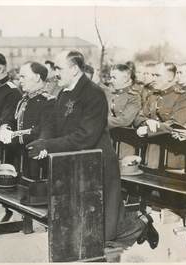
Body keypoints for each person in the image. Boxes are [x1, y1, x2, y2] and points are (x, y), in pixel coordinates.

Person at [26, 51, 157, 249]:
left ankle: (142, 224)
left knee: (104, 230)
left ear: (74, 69)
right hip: (74, 161)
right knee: (86, 223)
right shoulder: (64, 92)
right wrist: (42, 142)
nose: (54, 74)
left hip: (97, 163)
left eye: (59, 69)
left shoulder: (93, 94)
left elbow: (85, 136)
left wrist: (49, 145)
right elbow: (52, 123)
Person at [0, 61, 55, 179]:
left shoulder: (48, 102)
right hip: (18, 159)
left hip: (35, 163)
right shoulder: (24, 99)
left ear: (37, 77)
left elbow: (42, 131)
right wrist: (5, 127)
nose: (20, 80)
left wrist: (13, 135)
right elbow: (12, 119)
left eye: (23, 76)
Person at [107, 64, 141, 129]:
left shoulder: (133, 97)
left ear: (125, 79)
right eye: (110, 77)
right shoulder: (109, 93)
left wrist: (99, 121)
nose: (110, 80)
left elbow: (125, 121)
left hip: (121, 136)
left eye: (114, 77)